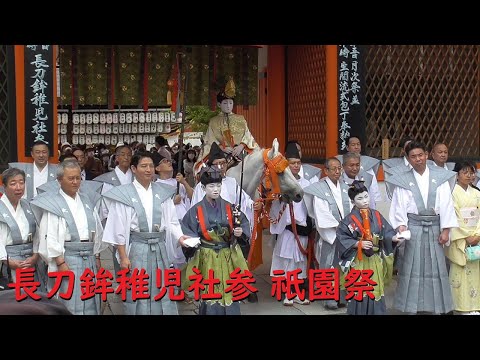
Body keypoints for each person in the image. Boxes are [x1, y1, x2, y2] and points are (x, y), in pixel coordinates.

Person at [101, 152, 189, 315]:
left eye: (150, 166)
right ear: (134, 168)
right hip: (138, 248)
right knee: (139, 289)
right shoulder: (124, 194)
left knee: (161, 287)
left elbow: (171, 221)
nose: (148, 170)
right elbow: (118, 228)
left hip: (159, 248)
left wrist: (180, 237)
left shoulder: (163, 192)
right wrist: (123, 256)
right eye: (143, 166)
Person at [386, 140, 458, 314]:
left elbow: (447, 204)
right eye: (413, 157)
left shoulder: (440, 177)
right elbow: (398, 206)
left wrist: (446, 230)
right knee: (412, 266)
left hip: (434, 227)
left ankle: (437, 305)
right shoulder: (403, 180)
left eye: (420, 155)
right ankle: (411, 305)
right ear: (408, 159)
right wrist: (401, 226)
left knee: (436, 266)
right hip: (414, 227)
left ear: (426, 155)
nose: (418, 159)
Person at [32, 161, 106, 315]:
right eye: (71, 178)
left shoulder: (86, 200)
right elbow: (49, 234)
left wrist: (97, 255)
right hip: (67, 257)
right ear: (59, 180)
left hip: (89, 255)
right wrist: (60, 261)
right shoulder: (53, 203)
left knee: (91, 296)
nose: (75, 182)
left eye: (78, 178)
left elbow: (96, 228)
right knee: (69, 297)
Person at [180, 166, 251, 315]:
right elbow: (187, 232)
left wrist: (240, 233)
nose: (215, 189)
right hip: (207, 257)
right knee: (210, 291)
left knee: (230, 290)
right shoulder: (196, 211)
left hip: (228, 255)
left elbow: (244, 226)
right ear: (203, 188)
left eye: (218, 185)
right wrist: (192, 243)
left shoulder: (231, 208)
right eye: (211, 186)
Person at [336, 180, 397, 315]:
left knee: (375, 289)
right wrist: (358, 244)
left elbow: (386, 231)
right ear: (352, 201)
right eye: (359, 198)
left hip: (374, 260)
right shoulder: (348, 220)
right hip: (358, 261)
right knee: (359, 290)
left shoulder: (376, 215)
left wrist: (392, 238)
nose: (364, 201)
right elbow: (342, 238)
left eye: (366, 196)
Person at [303, 157, 352, 310]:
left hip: (346, 234)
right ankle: (329, 298)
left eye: (339, 168)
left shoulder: (346, 187)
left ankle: (342, 295)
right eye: (333, 169)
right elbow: (321, 213)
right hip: (330, 234)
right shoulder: (319, 189)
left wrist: (349, 227)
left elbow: (352, 209)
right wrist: (338, 227)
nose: (337, 172)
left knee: (346, 266)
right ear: (326, 170)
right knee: (329, 265)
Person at [269, 142, 312, 306]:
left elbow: (310, 207)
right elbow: (274, 209)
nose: (295, 166)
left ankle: (298, 294)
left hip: (302, 229)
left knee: (299, 262)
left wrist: (309, 225)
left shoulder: (307, 183)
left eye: (298, 163)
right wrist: (280, 200)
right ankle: (286, 293)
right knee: (286, 262)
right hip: (287, 229)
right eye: (292, 163)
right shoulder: (281, 184)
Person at [194, 78, 259, 175]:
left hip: (240, 152)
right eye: (225, 103)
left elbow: (247, 135)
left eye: (230, 103)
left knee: (257, 169)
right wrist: (222, 148)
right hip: (220, 154)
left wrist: (241, 146)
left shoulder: (241, 119)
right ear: (219, 104)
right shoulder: (214, 121)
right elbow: (210, 139)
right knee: (204, 171)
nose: (228, 106)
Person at [0, 168, 47, 291]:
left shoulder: (28, 205)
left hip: (30, 259)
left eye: (21, 182)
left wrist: (36, 255)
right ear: (4, 186)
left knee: (33, 298)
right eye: (13, 183)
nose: (18, 187)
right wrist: (6, 261)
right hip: (10, 260)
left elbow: (37, 233)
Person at [445, 161, 480, 314]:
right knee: (460, 271)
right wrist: (466, 237)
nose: (469, 175)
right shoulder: (452, 194)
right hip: (460, 239)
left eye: (472, 172)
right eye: (465, 172)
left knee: (476, 271)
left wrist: (478, 234)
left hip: (477, 237)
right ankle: (460, 306)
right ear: (457, 175)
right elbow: (453, 217)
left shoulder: (477, 193)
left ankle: (475, 306)